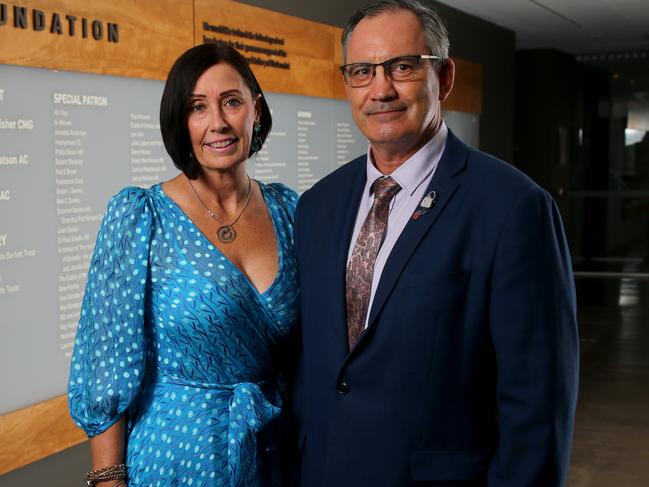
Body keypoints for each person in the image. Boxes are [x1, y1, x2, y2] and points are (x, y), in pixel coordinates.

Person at [293, 1, 579, 485]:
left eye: (402, 67)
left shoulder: (513, 208)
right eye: (362, 71)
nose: (380, 89)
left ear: (443, 77)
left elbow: (537, 406)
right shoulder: (318, 206)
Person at [68, 43, 299, 486]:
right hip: (175, 457)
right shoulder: (141, 215)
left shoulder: (288, 210)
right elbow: (107, 364)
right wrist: (108, 479)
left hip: (273, 449)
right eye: (198, 107)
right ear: (180, 120)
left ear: (256, 108)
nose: (219, 122)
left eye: (231, 101)